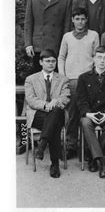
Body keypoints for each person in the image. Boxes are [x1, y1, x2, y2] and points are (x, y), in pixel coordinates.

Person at [58, 8, 99, 159]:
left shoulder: (93, 35)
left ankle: (88, 147)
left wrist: (94, 76)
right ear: (72, 20)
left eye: (83, 19)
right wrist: (63, 76)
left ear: (86, 19)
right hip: (71, 80)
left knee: (88, 112)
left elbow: (97, 56)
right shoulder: (67, 36)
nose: (80, 22)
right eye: (77, 19)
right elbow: (61, 57)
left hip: (88, 79)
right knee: (72, 113)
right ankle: (70, 145)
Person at [76, 46, 105, 178]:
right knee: (85, 123)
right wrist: (89, 114)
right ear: (94, 59)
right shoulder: (84, 78)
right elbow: (81, 100)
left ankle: (92, 156)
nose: (102, 61)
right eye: (99, 57)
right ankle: (102, 162)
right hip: (90, 114)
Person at [24, 49, 70, 178]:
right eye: (47, 61)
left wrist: (55, 102)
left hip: (57, 114)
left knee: (55, 113)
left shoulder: (63, 79)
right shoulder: (31, 79)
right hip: (37, 115)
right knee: (54, 124)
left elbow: (65, 97)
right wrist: (46, 105)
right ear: (40, 62)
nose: (51, 64)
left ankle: (42, 144)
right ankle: (54, 163)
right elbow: (31, 100)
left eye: (53, 61)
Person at [24, 0, 72, 72]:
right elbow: (28, 24)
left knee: (55, 80)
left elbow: (67, 25)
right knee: (39, 79)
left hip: (57, 45)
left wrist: (66, 45)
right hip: (38, 45)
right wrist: (28, 44)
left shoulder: (66, 0)